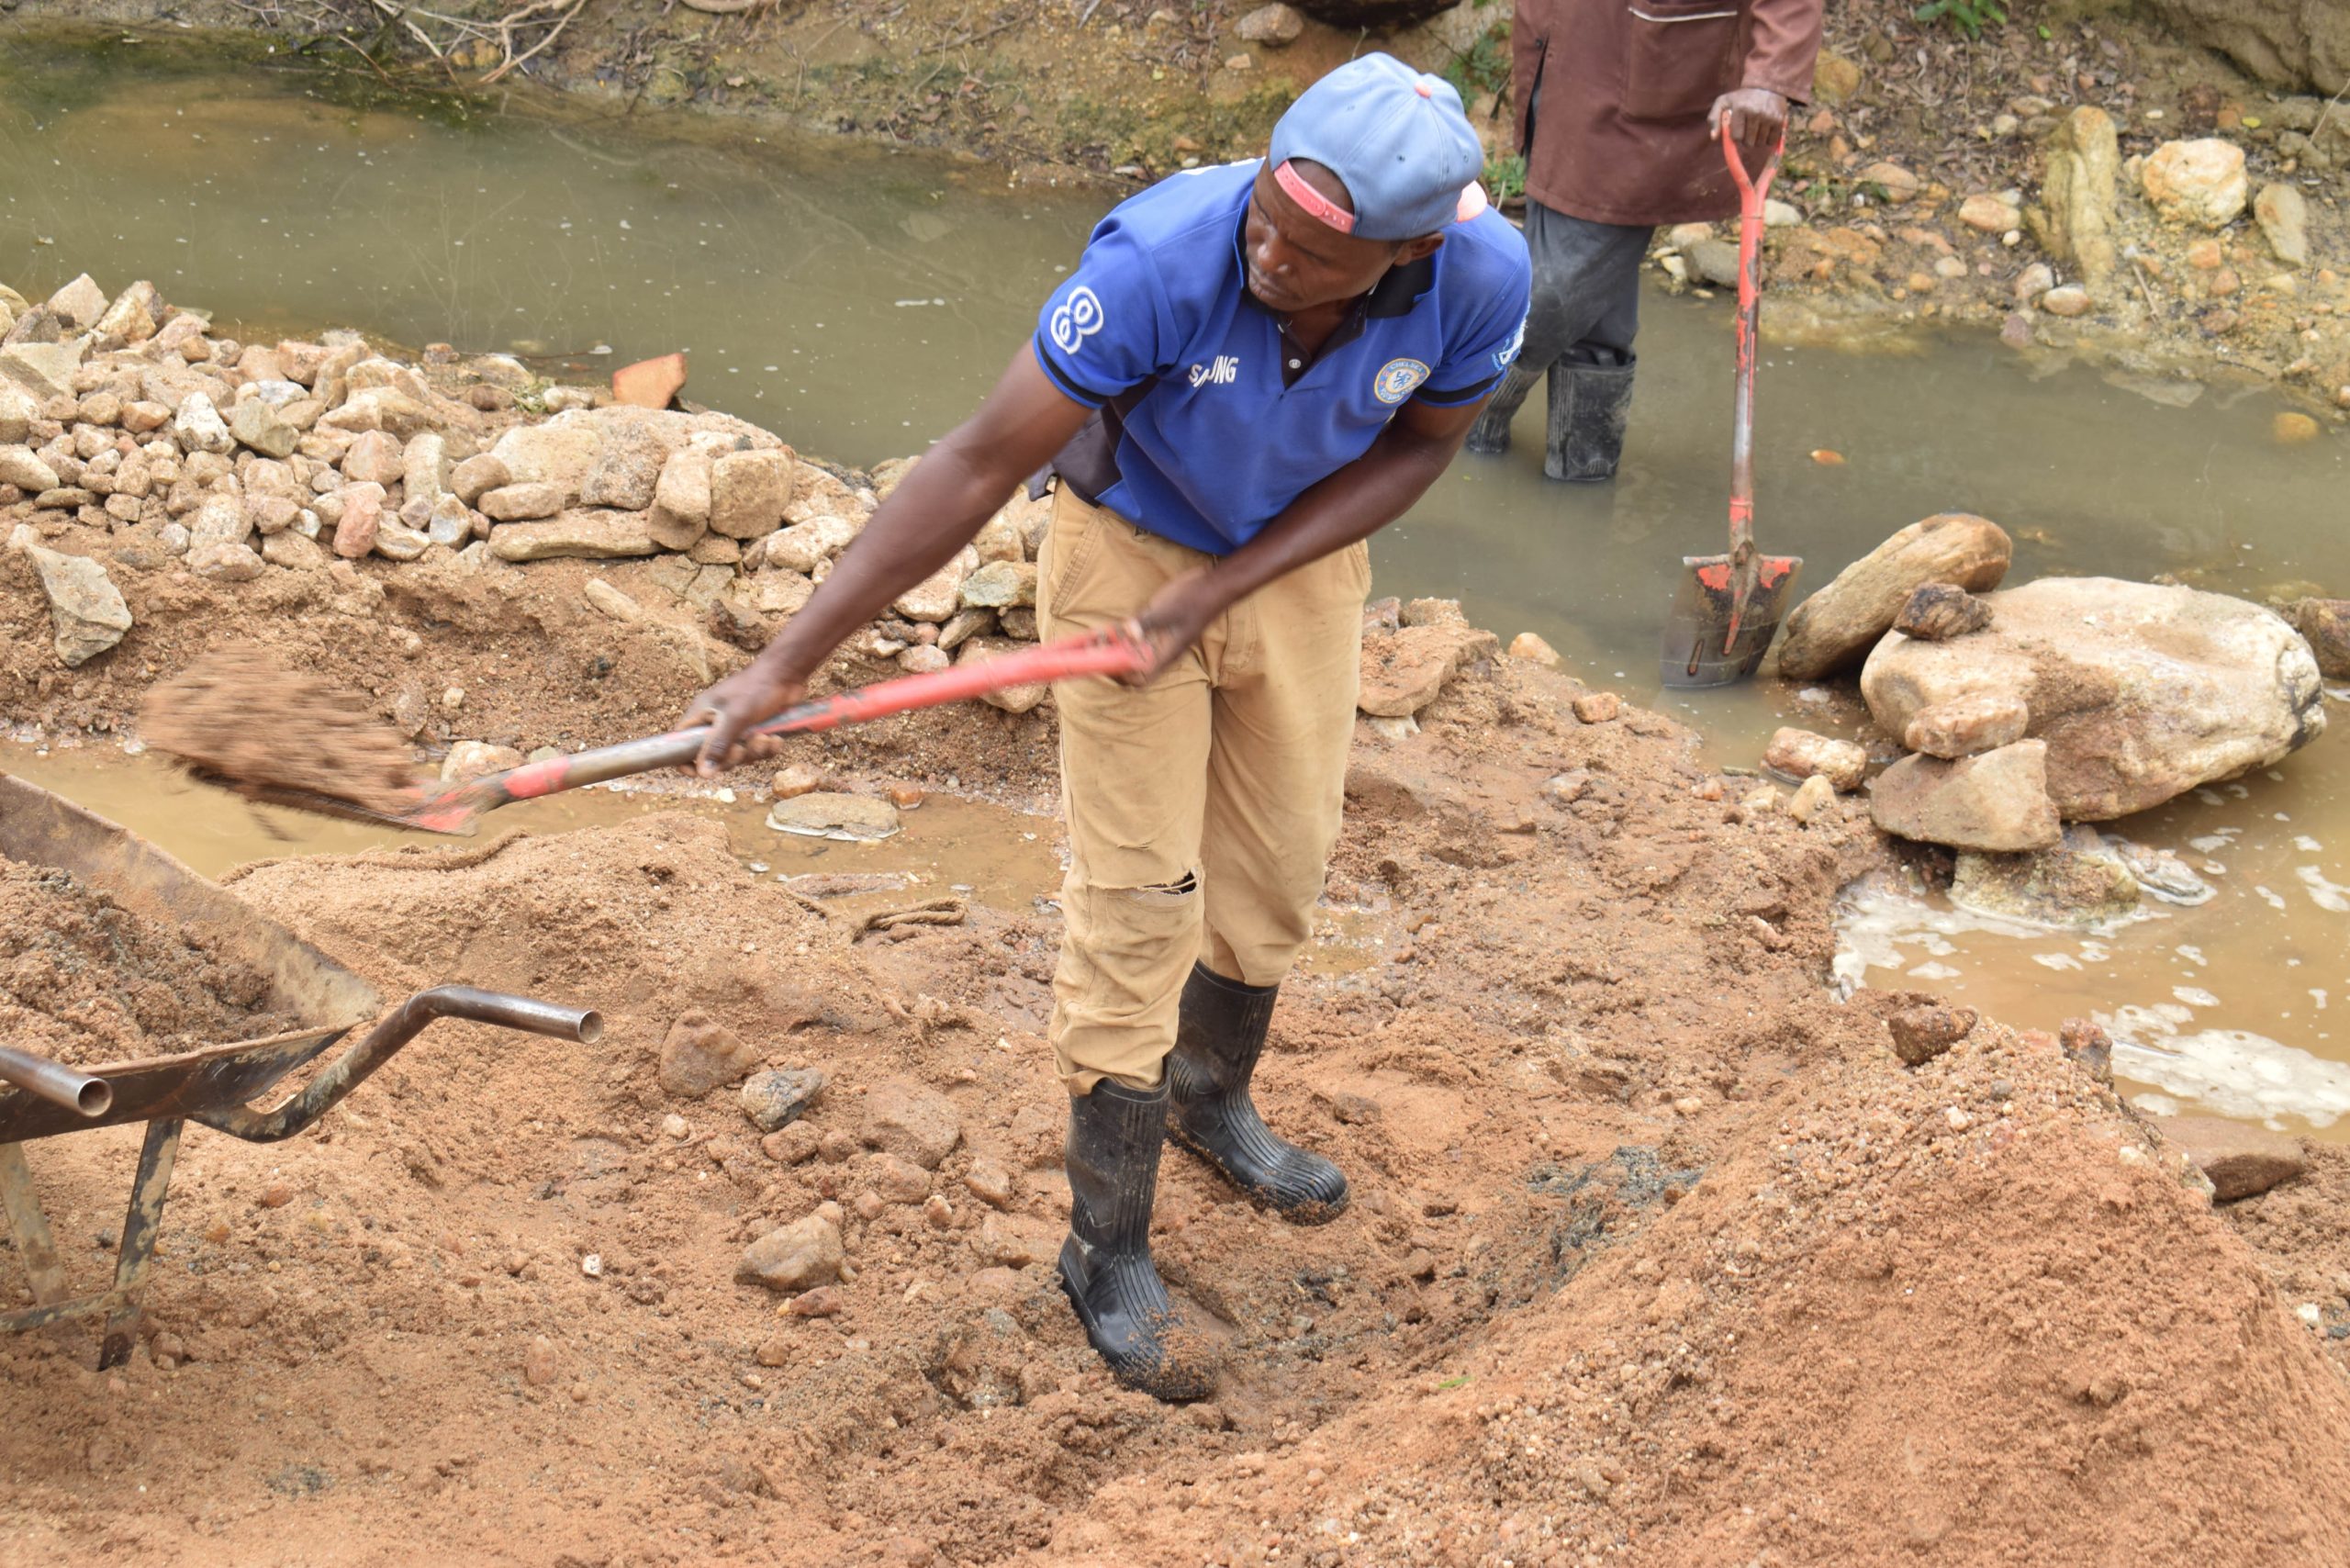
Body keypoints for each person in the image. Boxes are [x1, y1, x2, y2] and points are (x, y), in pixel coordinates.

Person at [683, 53, 1531, 1401]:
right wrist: (790, 661)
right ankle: (1107, 1247)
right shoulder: (1155, 261)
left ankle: (1209, 1104)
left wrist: (1229, 590)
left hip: (1294, 568)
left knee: (1278, 872)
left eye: (1314, 255)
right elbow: (975, 460)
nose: (1269, 256)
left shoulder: (1484, 280)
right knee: (1142, 897)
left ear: (1409, 251)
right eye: (1266, 215)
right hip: (1130, 557)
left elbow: (1420, 447)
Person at [1467, 0, 1824, 481]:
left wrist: (1771, 77)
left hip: (1660, 65)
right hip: (1561, 50)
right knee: (1596, 301)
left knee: (1562, 282)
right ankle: (1579, 477)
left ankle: (1456, 421)